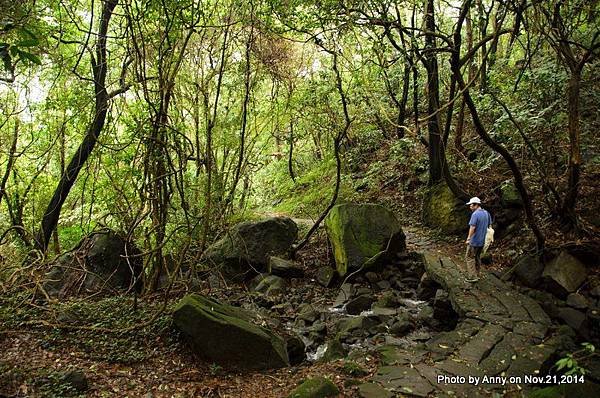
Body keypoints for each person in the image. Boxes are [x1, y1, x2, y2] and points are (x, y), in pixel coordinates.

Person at [464, 197, 491, 282]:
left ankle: (472, 277)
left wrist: (468, 238)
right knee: (477, 257)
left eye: (471, 205)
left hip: (474, 241)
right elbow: (490, 226)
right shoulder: (486, 213)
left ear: (476, 205)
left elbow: (472, 227)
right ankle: (477, 274)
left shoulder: (475, 214)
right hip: (482, 241)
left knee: (469, 257)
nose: (470, 207)